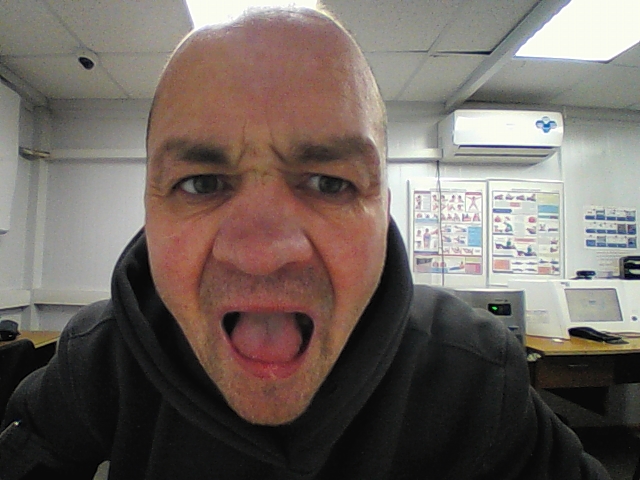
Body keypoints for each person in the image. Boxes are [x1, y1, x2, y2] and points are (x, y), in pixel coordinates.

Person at [0, 6, 611, 479]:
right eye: (201, 183)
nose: (262, 253)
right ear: (149, 206)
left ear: (382, 211)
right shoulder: (102, 357)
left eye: (329, 183)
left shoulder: (473, 374)